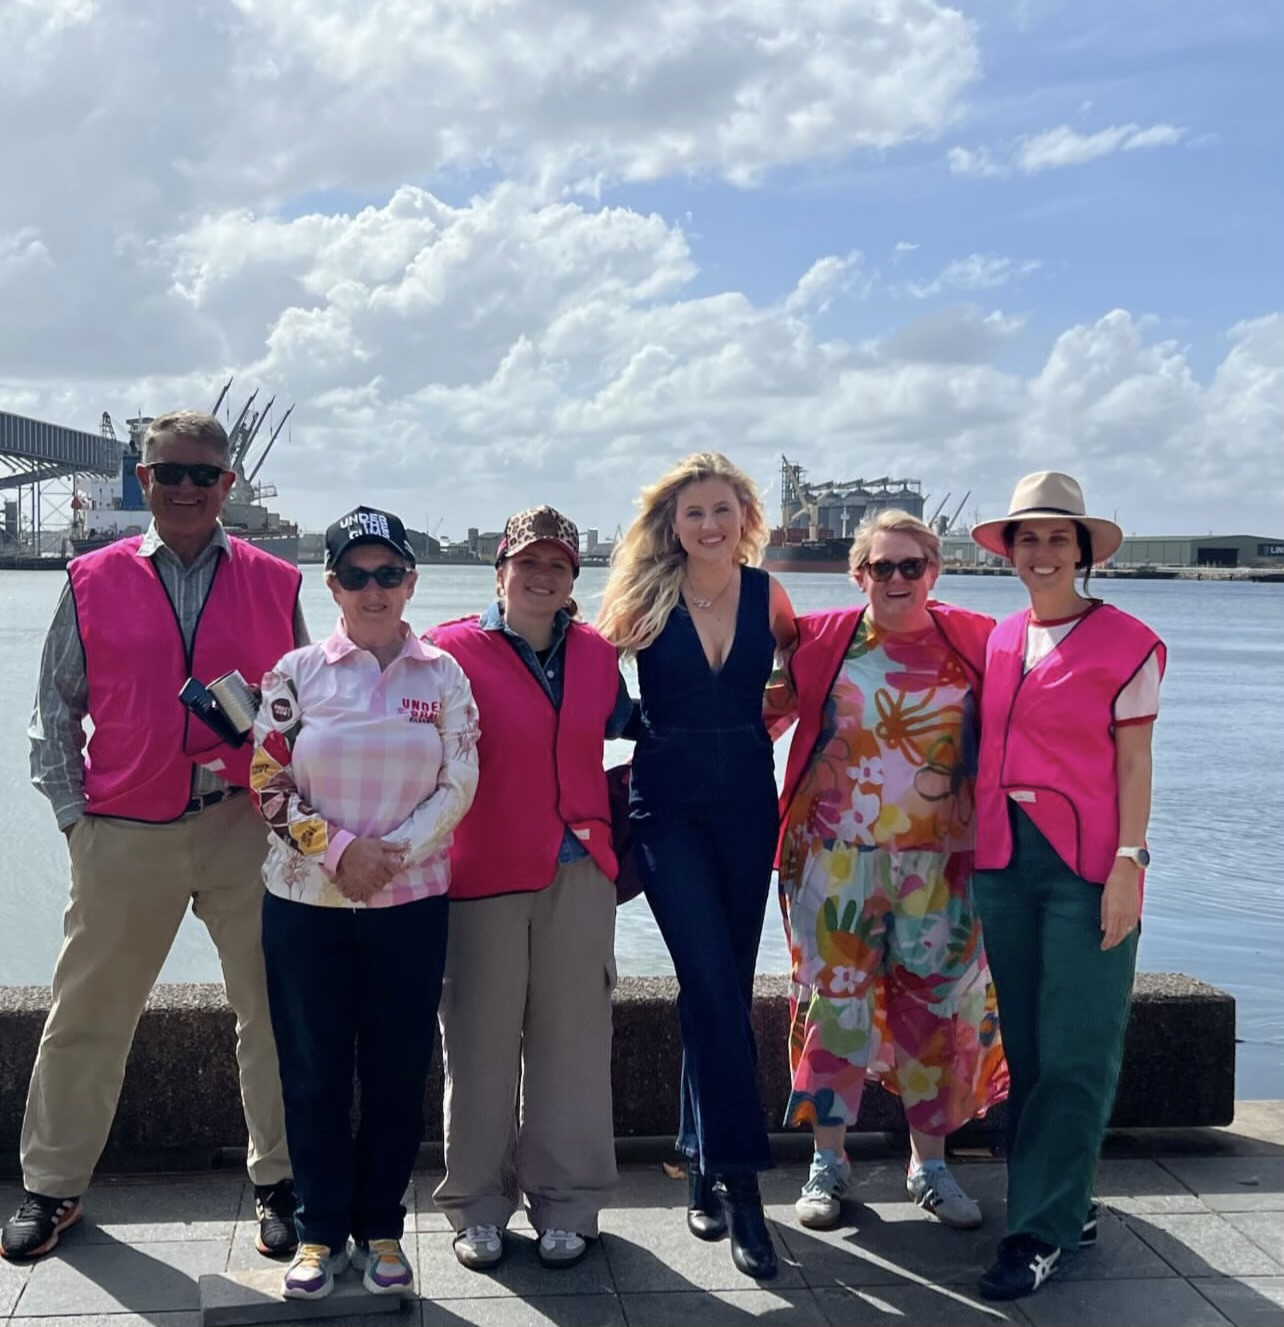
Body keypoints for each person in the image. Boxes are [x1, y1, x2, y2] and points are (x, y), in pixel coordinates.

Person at [4, 411, 305, 1262]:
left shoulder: (277, 580)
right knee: (87, 1013)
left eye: (203, 474)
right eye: (169, 471)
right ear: (143, 481)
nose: (185, 487)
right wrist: (77, 823)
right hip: (124, 829)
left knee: (275, 1011)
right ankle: (53, 1185)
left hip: (244, 824)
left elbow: (304, 710)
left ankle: (281, 1181)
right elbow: (53, 713)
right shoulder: (90, 577)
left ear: (227, 485)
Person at [250, 506, 479, 1300]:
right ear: (332, 585)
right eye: (356, 574)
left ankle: (381, 1225)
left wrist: (389, 856)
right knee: (312, 1069)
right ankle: (317, 1229)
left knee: (395, 1069)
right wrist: (340, 851)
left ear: (410, 582)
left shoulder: (443, 675)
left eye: (388, 573)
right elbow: (266, 780)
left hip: (410, 903)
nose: (373, 589)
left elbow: (460, 780)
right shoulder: (294, 673)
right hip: (305, 903)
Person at [766, 510, 1008, 1234]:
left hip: (943, 864)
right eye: (881, 566)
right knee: (832, 1007)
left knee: (936, 1009)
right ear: (858, 575)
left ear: (934, 571)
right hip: (833, 860)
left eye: (911, 565)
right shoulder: (822, 641)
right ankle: (827, 1161)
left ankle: (929, 1165)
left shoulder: (980, 640)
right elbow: (754, 716)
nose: (896, 579)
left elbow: (1033, 724)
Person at [597, 454, 796, 1281]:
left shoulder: (769, 597)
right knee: (711, 983)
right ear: (672, 524)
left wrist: (758, 722)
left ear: (744, 515)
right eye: (693, 513)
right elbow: (591, 683)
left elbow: (801, 681)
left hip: (749, 807)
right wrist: (644, 724)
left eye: (722, 509)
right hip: (667, 810)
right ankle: (744, 1187)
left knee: (722, 989)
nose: (709, 525)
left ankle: (698, 1155)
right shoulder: (645, 597)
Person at [968, 472, 1165, 1302]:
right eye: (1029, 538)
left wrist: (1129, 863)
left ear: (1084, 551)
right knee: (1029, 1048)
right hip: (1003, 861)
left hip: (1087, 865)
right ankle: (1067, 1203)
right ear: (1010, 552)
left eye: (1058, 538)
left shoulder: (1128, 642)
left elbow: (1134, 762)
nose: (1042, 551)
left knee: (1077, 1048)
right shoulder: (1001, 638)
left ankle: (1038, 1233)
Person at [429, 506, 634, 1273]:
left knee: (574, 1046)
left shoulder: (597, 653)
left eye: (557, 564)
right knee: (477, 1046)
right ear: (500, 571)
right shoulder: (446, 651)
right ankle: (477, 1205)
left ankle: (568, 1203)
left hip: (579, 871)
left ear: (573, 577)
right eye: (528, 562)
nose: (541, 575)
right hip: (479, 873)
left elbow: (638, 727)